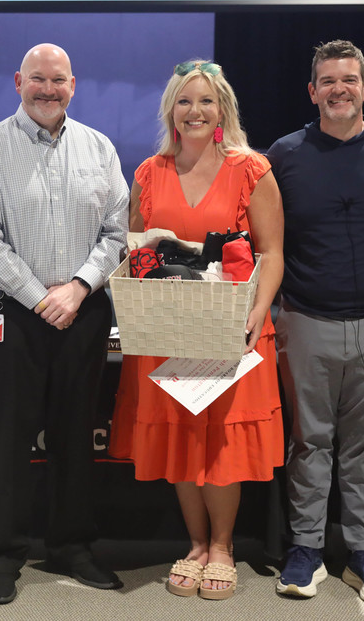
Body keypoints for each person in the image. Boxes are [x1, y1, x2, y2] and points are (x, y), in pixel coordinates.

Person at [0, 43, 129, 605]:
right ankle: (3, 554)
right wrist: (39, 297)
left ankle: (71, 548)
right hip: (10, 311)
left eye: (58, 81)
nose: (48, 89)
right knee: (7, 438)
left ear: (73, 85)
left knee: (75, 436)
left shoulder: (99, 147)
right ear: (17, 82)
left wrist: (77, 288)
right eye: (38, 79)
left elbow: (116, 233)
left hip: (82, 310)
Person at [109, 60, 285, 601]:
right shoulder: (146, 172)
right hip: (166, 331)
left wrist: (257, 311)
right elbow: (135, 251)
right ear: (171, 111)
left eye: (206, 101)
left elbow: (273, 252)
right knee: (182, 438)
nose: (195, 111)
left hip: (234, 329)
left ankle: (224, 547)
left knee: (221, 442)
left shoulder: (252, 169)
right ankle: (195, 544)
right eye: (184, 102)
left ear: (223, 109)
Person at [267, 39, 364, 604]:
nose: (339, 89)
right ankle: (305, 550)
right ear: (312, 91)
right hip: (306, 319)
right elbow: (270, 241)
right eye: (328, 81)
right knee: (310, 442)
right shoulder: (282, 155)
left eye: (349, 79)